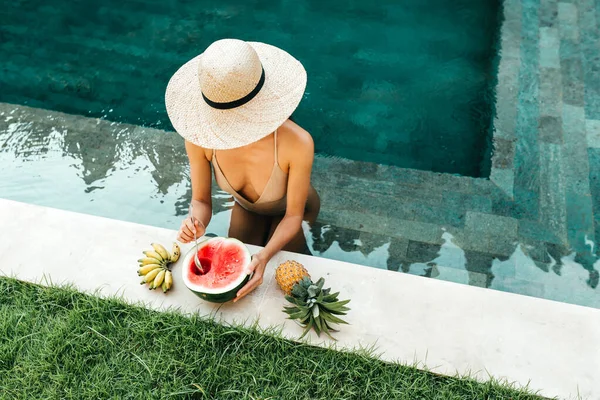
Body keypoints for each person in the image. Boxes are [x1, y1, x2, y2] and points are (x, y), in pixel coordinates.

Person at [165, 38, 320, 302]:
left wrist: (265, 255)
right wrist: (195, 223)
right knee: (238, 271)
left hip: (297, 209)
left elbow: (293, 216)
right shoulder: (199, 137)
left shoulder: (298, 142)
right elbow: (200, 200)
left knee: (295, 285)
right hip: (247, 206)